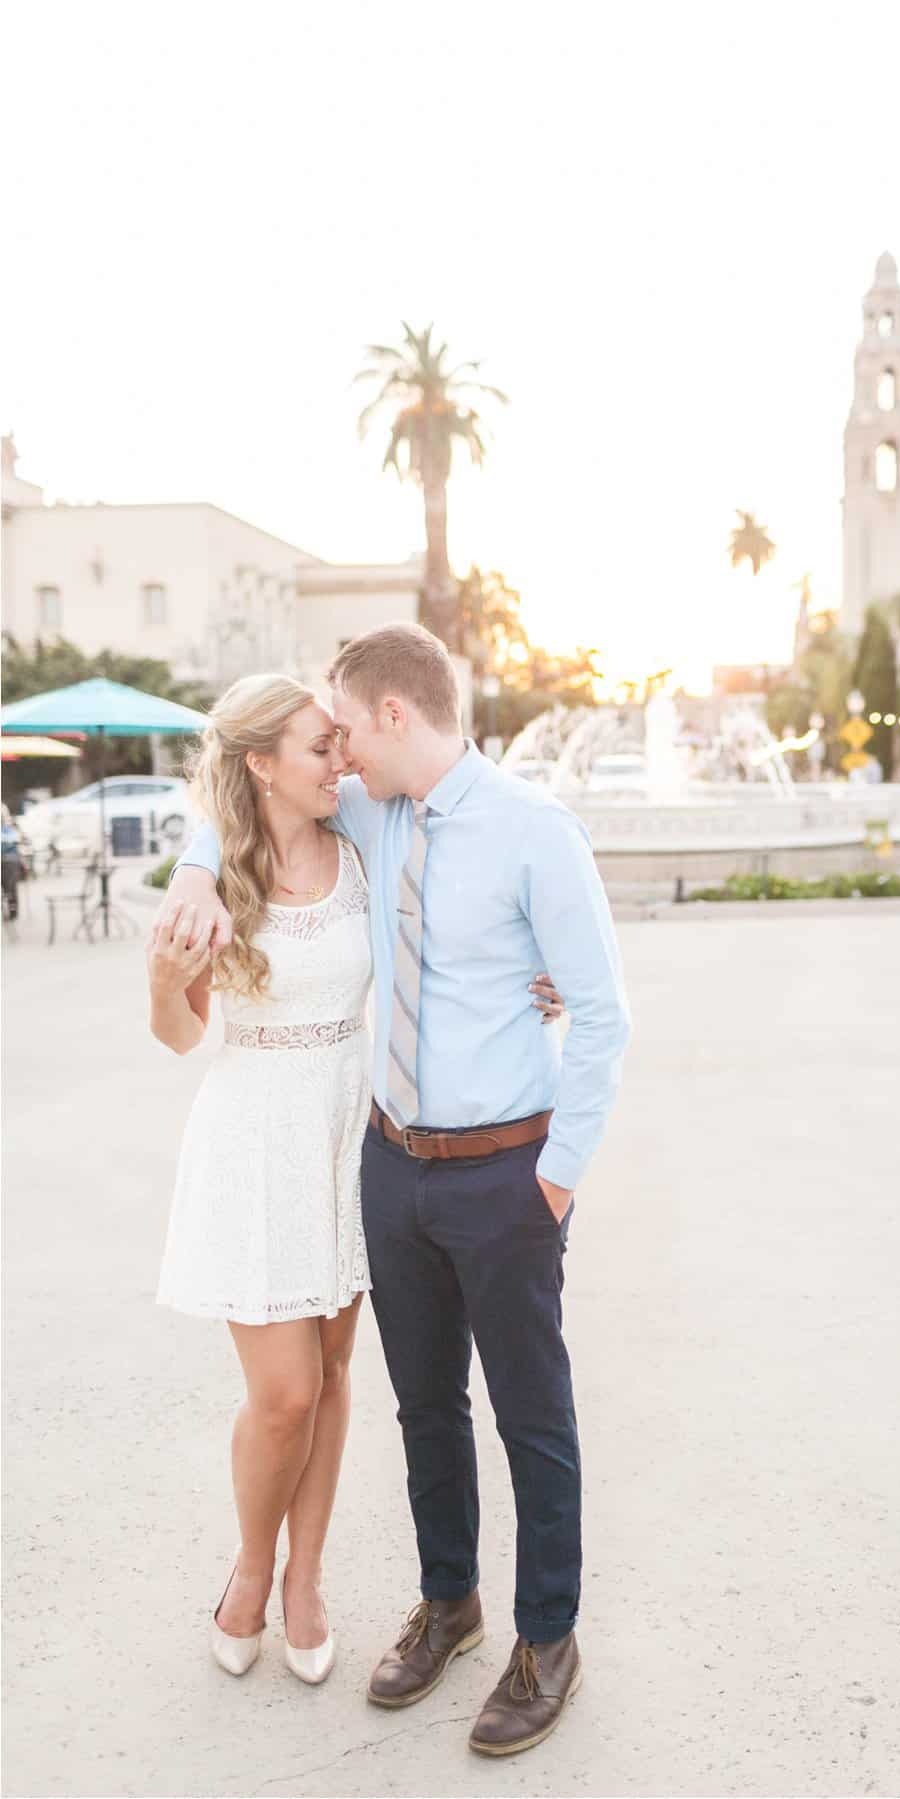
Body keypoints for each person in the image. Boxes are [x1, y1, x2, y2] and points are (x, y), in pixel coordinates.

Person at [161, 623, 631, 1756]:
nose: (337, 758)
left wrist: (554, 1181)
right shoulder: (365, 818)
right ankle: (450, 1600)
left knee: (533, 1413)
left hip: (507, 1173)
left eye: (344, 729)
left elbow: (603, 1014)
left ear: (390, 717)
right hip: (387, 1166)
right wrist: (187, 870)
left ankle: (547, 1636)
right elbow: (233, 788)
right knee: (425, 1407)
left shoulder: (536, 832)